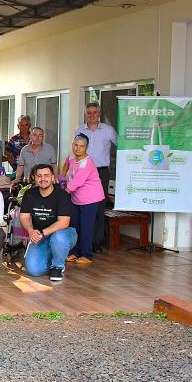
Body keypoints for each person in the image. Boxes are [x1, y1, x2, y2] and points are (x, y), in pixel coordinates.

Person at [19, 164, 77, 281]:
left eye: (46, 175)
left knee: (58, 238)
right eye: (39, 176)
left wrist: (42, 233)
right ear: (34, 178)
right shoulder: (29, 194)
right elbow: (24, 217)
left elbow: (64, 223)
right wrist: (31, 231)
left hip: (64, 234)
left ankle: (57, 266)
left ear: (52, 178)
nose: (43, 179)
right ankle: (53, 254)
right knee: (33, 270)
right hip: (41, 236)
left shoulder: (62, 195)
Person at [74, 102, 117, 254]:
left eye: (95, 112)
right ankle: (81, 241)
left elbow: (121, 146)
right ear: (85, 113)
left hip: (100, 172)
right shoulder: (79, 130)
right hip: (81, 172)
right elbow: (74, 152)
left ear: (99, 113)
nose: (92, 115)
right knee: (80, 206)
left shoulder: (108, 130)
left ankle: (96, 241)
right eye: (89, 112)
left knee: (98, 207)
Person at [65, 134, 105, 265]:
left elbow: (77, 181)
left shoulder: (87, 162)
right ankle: (76, 252)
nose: (78, 148)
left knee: (86, 227)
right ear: (72, 145)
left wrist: (64, 193)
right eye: (76, 145)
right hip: (77, 199)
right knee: (75, 227)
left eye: (82, 146)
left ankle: (87, 254)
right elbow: (67, 167)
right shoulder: (72, 158)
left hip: (90, 199)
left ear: (86, 148)